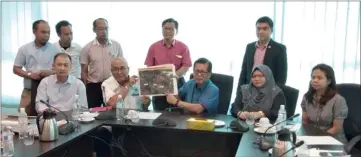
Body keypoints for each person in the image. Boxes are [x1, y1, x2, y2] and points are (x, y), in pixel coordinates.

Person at [93, 58, 150, 157]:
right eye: (115, 69)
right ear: (111, 71)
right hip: (117, 123)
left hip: (138, 123)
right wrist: (128, 85)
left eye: (122, 68)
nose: (119, 72)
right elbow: (112, 103)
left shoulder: (139, 81)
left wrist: (147, 102)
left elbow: (146, 105)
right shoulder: (106, 84)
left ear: (128, 69)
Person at [13, 20, 61, 116]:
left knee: (50, 119)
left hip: (50, 91)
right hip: (29, 90)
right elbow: (16, 68)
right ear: (34, 31)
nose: (46, 35)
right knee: (26, 118)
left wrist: (50, 72)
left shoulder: (55, 50)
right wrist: (30, 75)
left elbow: (61, 69)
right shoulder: (24, 49)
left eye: (48, 32)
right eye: (43, 32)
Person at [144, 18, 192, 111]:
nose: (167, 31)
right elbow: (149, 67)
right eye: (165, 28)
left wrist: (172, 77)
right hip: (159, 83)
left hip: (178, 83)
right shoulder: (153, 47)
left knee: (179, 112)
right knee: (160, 113)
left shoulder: (183, 47)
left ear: (176, 31)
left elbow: (186, 66)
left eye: (171, 29)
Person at [237, 16, 287, 96]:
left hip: (268, 94)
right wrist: (239, 94)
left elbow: (281, 77)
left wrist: (274, 97)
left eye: (264, 29)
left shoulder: (279, 49)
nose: (260, 31)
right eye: (258, 28)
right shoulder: (250, 47)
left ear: (271, 30)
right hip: (249, 92)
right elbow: (244, 72)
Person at [80, 18, 123, 109]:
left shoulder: (116, 46)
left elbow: (122, 66)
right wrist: (85, 88)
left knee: (113, 112)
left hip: (112, 84)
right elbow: (84, 71)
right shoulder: (87, 48)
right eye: (100, 29)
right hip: (94, 86)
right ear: (94, 30)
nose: (104, 31)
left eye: (106, 28)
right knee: (94, 113)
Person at [301, 63, 348, 144]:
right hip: (313, 139)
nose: (315, 80)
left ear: (329, 81)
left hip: (334, 140)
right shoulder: (307, 97)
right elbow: (305, 121)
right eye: (313, 77)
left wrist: (318, 139)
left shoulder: (338, 100)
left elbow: (336, 128)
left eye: (319, 78)